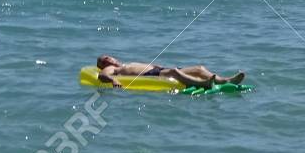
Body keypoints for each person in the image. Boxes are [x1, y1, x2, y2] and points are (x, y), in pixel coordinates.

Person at [95, 55, 245, 88]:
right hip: (150, 76)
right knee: (174, 72)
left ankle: (227, 80)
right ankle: (204, 84)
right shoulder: (112, 69)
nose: (109, 60)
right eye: (104, 60)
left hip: (158, 70)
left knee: (199, 68)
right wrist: (113, 80)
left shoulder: (127, 63)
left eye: (108, 57)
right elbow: (102, 76)